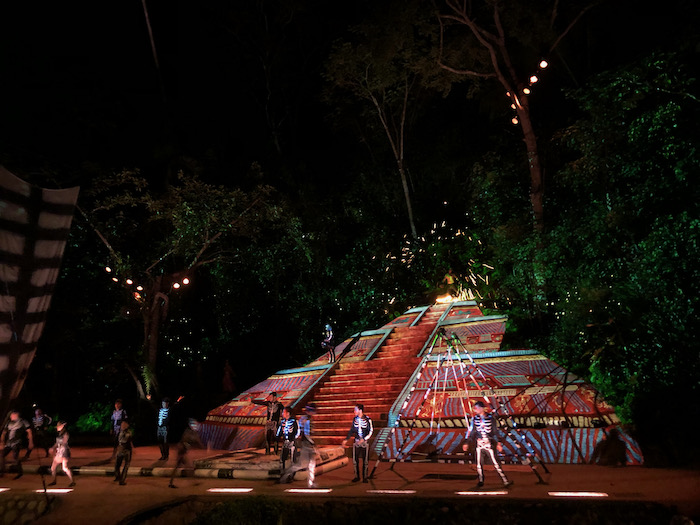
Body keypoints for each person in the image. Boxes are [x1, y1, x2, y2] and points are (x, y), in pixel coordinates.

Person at [462, 401, 512, 488]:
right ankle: (481, 480)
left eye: (476, 408)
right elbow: (471, 431)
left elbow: (495, 431)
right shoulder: (474, 419)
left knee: (496, 463)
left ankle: (505, 480)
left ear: (482, 408)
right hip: (479, 443)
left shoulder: (491, 418)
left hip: (489, 443)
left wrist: (498, 443)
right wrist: (466, 442)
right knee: (478, 463)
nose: (475, 410)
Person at [280, 403, 318, 486]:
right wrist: (313, 444)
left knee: (311, 464)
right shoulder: (306, 420)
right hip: (307, 444)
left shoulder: (304, 419)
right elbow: (306, 434)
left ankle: (311, 483)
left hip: (307, 443)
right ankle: (284, 476)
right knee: (300, 464)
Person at [341, 403, 373, 483]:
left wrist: (365, 439)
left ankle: (365, 477)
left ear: (360, 410)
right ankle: (357, 476)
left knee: (365, 461)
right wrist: (346, 439)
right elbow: (351, 430)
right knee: (355, 460)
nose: (354, 411)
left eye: (355, 409)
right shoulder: (354, 419)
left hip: (365, 443)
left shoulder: (368, 419)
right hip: (356, 442)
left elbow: (371, 431)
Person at [169, 418, 203, 488]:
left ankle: (171, 482)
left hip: (183, 450)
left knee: (182, 467)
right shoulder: (189, 432)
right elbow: (187, 440)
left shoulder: (192, 432)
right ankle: (193, 481)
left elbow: (197, 441)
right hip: (182, 450)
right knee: (188, 467)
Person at [0, 410, 33, 479]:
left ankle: (20, 472)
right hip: (9, 442)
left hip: (17, 442)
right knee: (1, 455)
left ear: (16, 415)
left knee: (15, 456)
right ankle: (2, 471)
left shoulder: (23, 422)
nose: (10, 417)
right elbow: (4, 432)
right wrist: (2, 441)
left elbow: (29, 432)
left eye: (12, 415)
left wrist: (30, 442)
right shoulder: (9, 422)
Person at [151, 395, 184, 461]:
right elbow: (153, 406)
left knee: (165, 442)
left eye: (165, 403)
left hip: (165, 428)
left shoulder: (169, 410)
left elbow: (174, 406)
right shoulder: (159, 410)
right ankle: (163, 455)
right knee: (160, 442)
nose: (164, 404)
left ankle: (166, 455)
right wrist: (150, 400)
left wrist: (178, 401)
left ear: (167, 404)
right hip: (159, 427)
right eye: (163, 403)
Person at [48, 421, 75, 487]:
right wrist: (53, 447)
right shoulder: (59, 434)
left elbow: (64, 442)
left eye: (58, 426)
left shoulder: (65, 434)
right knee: (54, 468)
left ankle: (72, 481)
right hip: (60, 451)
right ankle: (54, 480)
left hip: (64, 451)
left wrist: (56, 447)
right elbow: (57, 443)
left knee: (64, 467)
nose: (57, 428)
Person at [276, 407, 300, 473]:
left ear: (288, 413)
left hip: (292, 442)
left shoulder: (294, 421)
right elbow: (280, 430)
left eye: (284, 412)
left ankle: (292, 474)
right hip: (285, 442)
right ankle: (282, 472)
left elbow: (297, 431)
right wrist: (277, 436)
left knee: (293, 458)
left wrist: (293, 438)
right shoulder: (282, 421)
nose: (283, 413)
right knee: (282, 458)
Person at [113, 420, 134, 486]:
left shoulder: (122, 432)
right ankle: (120, 478)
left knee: (121, 465)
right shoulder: (126, 433)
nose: (123, 425)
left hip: (123, 450)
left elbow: (121, 441)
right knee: (122, 465)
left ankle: (119, 478)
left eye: (124, 424)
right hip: (124, 450)